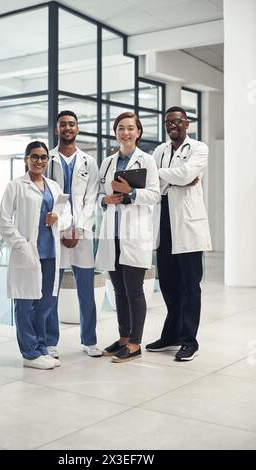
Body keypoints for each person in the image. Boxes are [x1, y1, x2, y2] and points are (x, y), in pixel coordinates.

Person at [0, 141, 71, 369]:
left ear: (48, 160)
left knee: (45, 304)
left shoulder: (54, 186)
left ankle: (41, 348)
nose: (39, 161)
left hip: (50, 253)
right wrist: (21, 244)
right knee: (26, 303)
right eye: (35, 157)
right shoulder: (16, 186)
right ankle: (29, 353)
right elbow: (2, 220)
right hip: (28, 253)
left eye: (43, 157)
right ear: (26, 159)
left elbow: (67, 215)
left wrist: (58, 219)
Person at [146, 106, 212, 361]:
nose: (172, 125)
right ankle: (171, 334)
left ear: (186, 123)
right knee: (169, 285)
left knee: (190, 287)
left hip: (188, 226)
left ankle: (189, 341)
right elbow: (153, 183)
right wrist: (176, 178)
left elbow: (185, 174)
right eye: (168, 122)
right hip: (164, 224)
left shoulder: (198, 148)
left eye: (177, 121)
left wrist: (171, 176)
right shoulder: (160, 151)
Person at [96, 112, 160, 363]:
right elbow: (98, 193)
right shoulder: (108, 162)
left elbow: (154, 194)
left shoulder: (148, 161)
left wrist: (131, 193)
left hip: (135, 233)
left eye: (130, 128)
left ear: (138, 132)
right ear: (115, 132)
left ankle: (135, 343)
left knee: (134, 290)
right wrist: (105, 199)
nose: (126, 133)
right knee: (119, 291)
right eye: (121, 128)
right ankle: (123, 338)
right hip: (113, 234)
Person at [47, 110, 102, 357]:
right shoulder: (46, 159)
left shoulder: (89, 162)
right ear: (56, 129)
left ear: (77, 128)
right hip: (54, 231)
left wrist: (78, 229)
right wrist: (62, 228)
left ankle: (89, 341)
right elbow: (47, 198)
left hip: (82, 234)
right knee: (52, 289)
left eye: (71, 124)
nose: (67, 128)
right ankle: (50, 342)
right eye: (62, 125)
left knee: (86, 290)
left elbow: (91, 199)